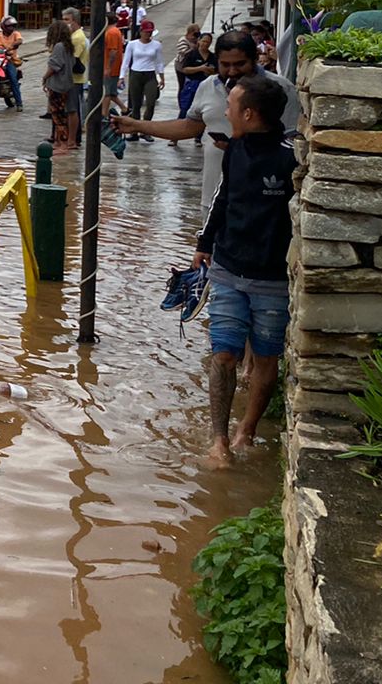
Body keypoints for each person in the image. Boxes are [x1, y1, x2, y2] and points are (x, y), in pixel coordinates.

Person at [192, 74, 297, 466]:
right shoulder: (234, 149)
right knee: (223, 355)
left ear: (249, 114)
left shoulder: (292, 157)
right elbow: (223, 197)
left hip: (272, 279)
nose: (225, 111)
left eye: (232, 106)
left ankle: (247, 430)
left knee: (266, 359)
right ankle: (219, 439)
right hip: (227, 268)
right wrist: (204, 244)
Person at [113, 29, 300, 218]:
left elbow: (294, 147)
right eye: (225, 65)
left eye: (240, 64)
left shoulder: (280, 90)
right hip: (214, 198)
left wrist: (241, 148)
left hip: (266, 200)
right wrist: (136, 125)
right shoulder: (208, 86)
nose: (232, 71)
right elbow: (189, 127)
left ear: (254, 59)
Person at [119, 20, 166, 139]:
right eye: (146, 32)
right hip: (136, 74)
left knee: (150, 103)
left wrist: (161, 77)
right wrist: (122, 76)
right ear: (141, 32)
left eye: (150, 32)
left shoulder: (156, 45)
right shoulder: (132, 44)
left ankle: (146, 130)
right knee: (136, 105)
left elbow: (159, 61)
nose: (148, 34)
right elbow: (126, 62)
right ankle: (134, 131)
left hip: (150, 74)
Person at [171, 32, 215, 147]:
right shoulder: (192, 54)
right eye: (204, 41)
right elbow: (185, 69)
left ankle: (198, 137)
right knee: (185, 110)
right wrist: (200, 68)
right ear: (199, 41)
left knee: (202, 111)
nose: (205, 44)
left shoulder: (212, 56)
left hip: (206, 85)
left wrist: (211, 71)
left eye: (208, 42)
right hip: (192, 85)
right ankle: (175, 136)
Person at [43, 20, 78, 149]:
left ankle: (61, 142)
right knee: (63, 113)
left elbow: (54, 66)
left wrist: (45, 77)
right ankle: (62, 141)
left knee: (57, 115)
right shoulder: (69, 46)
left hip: (57, 85)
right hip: (67, 83)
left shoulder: (59, 46)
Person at [63, 7, 88, 147]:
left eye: (67, 20)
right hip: (71, 79)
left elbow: (73, 59)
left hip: (74, 79)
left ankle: (72, 139)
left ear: (75, 21)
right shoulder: (73, 36)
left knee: (72, 109)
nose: (65, 23)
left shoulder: (77, 38)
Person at [0, 16, 24, 110]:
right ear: (3, 27)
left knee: (13, 79)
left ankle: (19, 103)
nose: (11, 28)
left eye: (13, 26)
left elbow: (20, 40)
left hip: (10, 60)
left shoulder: (15, 34)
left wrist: (13, 45)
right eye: (9, 26)